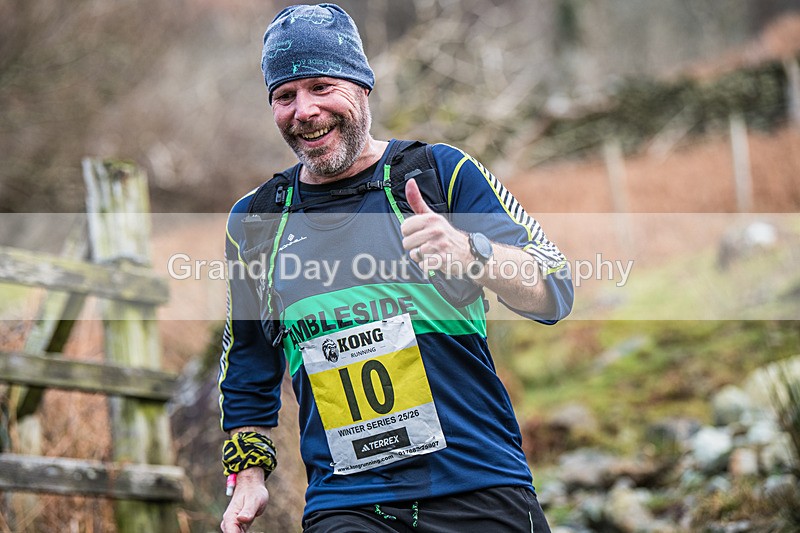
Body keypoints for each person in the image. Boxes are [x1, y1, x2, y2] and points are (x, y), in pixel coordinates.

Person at [218, 4, 573, 532]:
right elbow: (247, 361)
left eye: (321, 86)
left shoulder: (441, 173)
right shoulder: (256, 220)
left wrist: (471, 253)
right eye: (285, 96)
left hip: (477, 486)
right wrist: (248, 474)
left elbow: (554, 288)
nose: (304, 110)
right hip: (347, 504)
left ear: (362, 86)